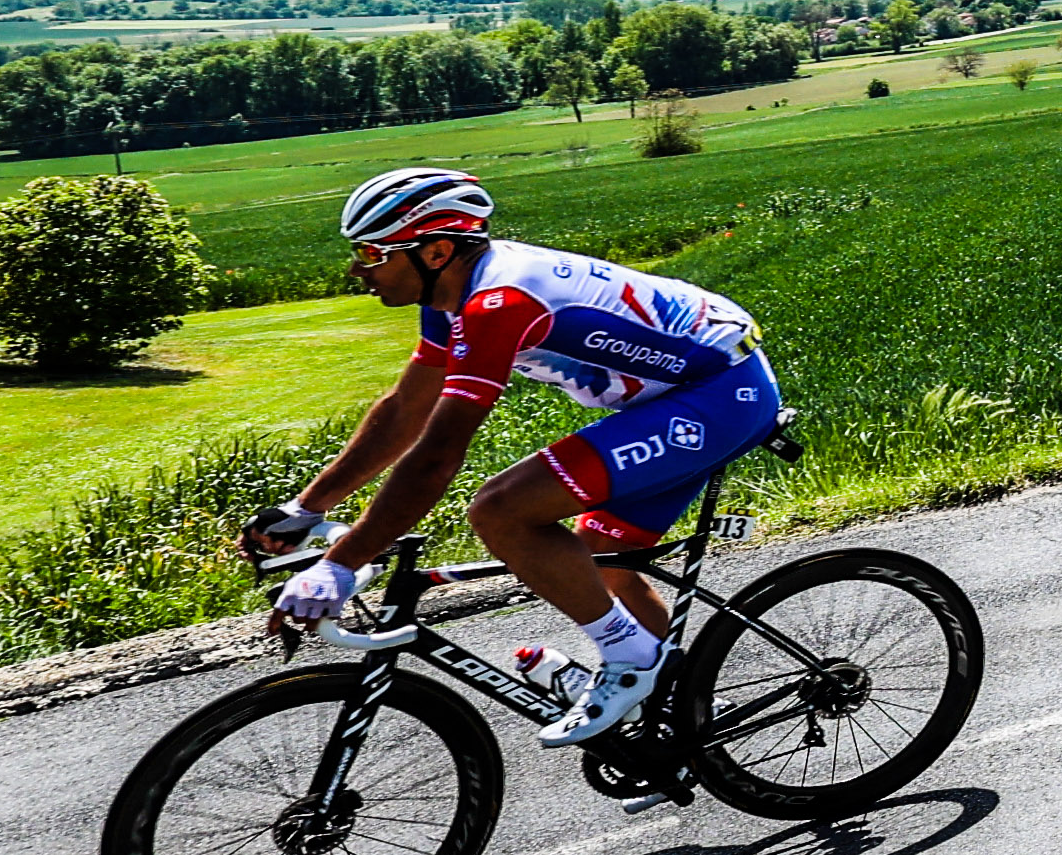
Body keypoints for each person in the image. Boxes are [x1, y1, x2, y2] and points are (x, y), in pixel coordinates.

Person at [252, 167, 779, 748]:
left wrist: (342, 562)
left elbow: (437, 454)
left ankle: (632, 664)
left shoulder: (497, 303)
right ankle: (675, 729)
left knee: (501, 510)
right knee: (597, 564)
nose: (357, 268)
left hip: (721, 394)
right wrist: (308, 507)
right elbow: (408, 409)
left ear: (437, 250)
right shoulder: (448, 294)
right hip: (683, 392)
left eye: (372, 253)